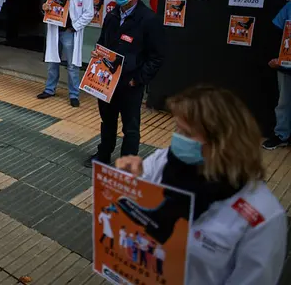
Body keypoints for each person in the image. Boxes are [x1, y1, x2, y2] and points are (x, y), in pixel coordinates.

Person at [115, 85, 286, 284]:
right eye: (176, 128)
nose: (176, 139)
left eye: (186, 133)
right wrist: (125, 180)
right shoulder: (166, 162)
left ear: (222, 143)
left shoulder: (262, 217)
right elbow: (128, 209)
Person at [84, 0, 164, 167]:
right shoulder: (112, 15)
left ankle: (126, 164)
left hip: (130, 83)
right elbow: (103, 41)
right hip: (106, 81)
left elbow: (157, 57)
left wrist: (138, 79)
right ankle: (103, 155)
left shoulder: (148, 19)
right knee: (107, 122)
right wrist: (97, 52)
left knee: (130, 127)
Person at [38, 0, 93, 107]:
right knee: (52, 62)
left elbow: (89, 13)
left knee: (72, 65)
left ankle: (74, 95)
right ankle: (50, 89)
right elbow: (50, 7)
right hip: (56, 29)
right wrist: (45, 8)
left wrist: (75, 27)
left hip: (70, 31)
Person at [264, 0, 291, 149]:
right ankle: (282, 135)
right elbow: (274, 33)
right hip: (287, 63)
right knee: (284, 102)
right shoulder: (290, 7)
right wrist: (275, 58)